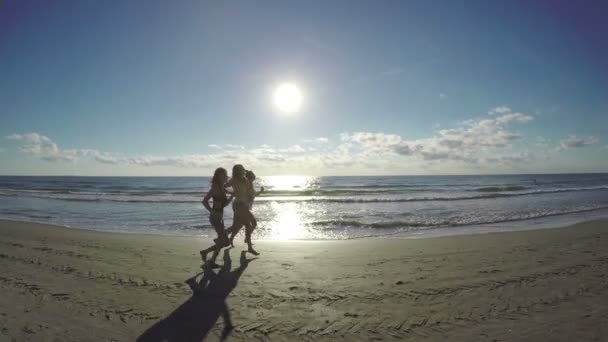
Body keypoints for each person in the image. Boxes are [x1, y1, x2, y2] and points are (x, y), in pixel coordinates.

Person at [199, 167, 233, 267]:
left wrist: (232, 194)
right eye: (224, 174)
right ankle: (205, 252)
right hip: (216, 218)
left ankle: (212, 261)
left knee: (222, 241)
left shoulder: (221, 187)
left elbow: (224, 203)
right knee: (225, 242)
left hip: (218, 217)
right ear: (219, 176)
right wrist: (212, 211)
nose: (227, 176)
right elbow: (205, 201)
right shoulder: (216, 188)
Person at [225, 165, 259, 255]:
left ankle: (223, 236)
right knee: (251, 223)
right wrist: (232, 193)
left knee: (237, 226)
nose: (242, 171)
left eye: (242, 170)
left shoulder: (245, 180)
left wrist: (250, 178)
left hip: (242, 205)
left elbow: (250, 192)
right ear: (237, 171)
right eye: (241, 170)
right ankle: (249, 247)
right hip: (239, 205)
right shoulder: (234, 180)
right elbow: (224, 187)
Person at [229, 170, 263, 246]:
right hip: (242, 207)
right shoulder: (246, 185)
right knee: (253, 223)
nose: (254, 179)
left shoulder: (250, 185)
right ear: (249, 178)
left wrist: (261, 192)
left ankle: (230, 239)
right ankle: (247, 239)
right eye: (252, 177)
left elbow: (253, 195)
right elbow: (241, 194)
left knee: (237, 225)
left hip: (242, 207)